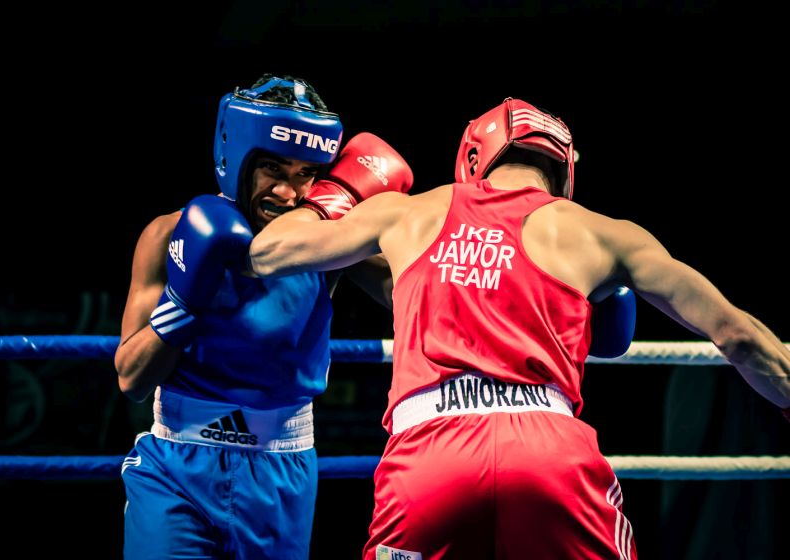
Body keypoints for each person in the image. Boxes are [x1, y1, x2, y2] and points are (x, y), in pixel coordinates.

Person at [248, 97, 790, 559]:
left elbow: (269, 252)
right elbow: (737, 334)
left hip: (428, 455)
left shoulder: (406, 214)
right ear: (563, 169)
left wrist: (339, 193)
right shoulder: (604, 234)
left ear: (473, 157)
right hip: (548, 453)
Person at [113, 73, 413, 559]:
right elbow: (131, 378)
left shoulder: (324, 244)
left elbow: (418, 292)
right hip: (175, 469)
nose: (289, 193)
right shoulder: (169, 235)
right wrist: (184, 303)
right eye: (273, 168)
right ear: (239, 160)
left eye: (306, 174)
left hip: (280, 470)